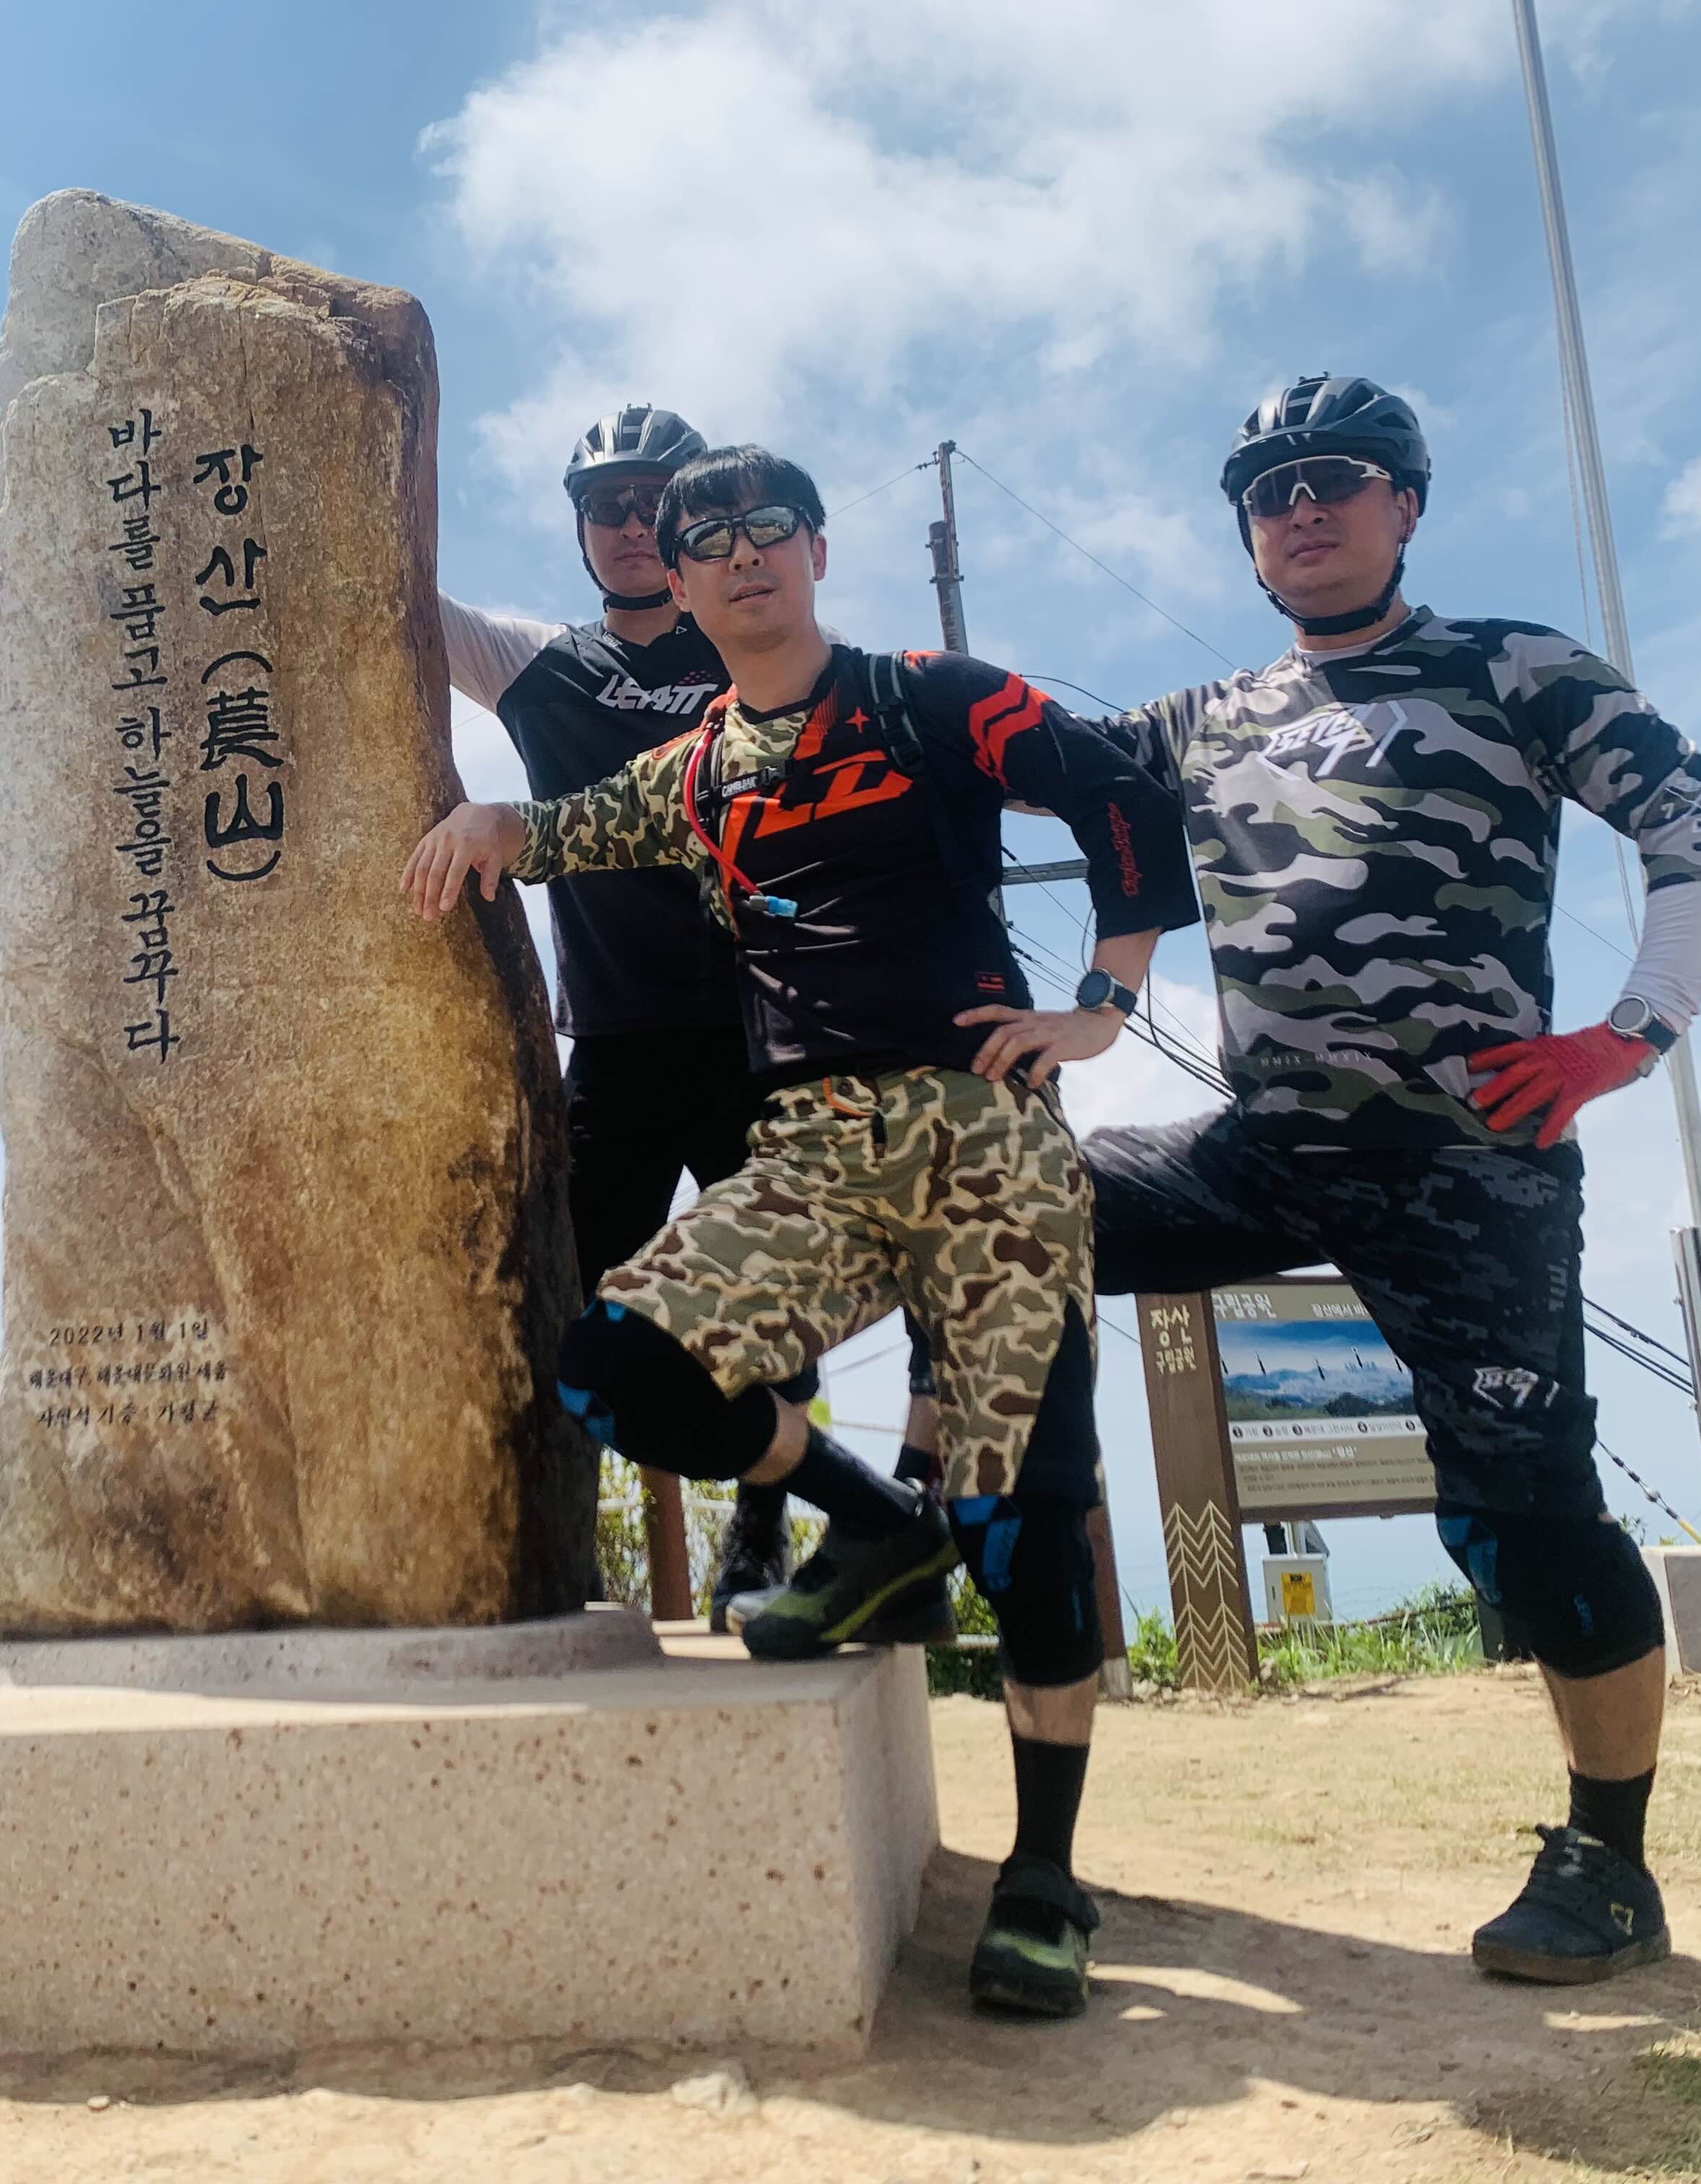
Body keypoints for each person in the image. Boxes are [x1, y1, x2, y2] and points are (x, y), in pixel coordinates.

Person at [406, 447, 1200, 2016]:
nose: (740, 554)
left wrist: (1104, 1003)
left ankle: (1044, 1876)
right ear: (679, 577)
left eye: (769, 527)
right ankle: (874, 1518)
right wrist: (489, 820)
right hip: (812, 1155)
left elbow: (1119, 785)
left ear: (818, 550)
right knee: (614, 1366)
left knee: (1026, 1516)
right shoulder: (698, 766)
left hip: (987, 1139)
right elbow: (563, 830)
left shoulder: (933, 698)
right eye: (707, 537)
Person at [1041, 375, 1701, 1985]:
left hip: (1468, 1166)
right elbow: (1005, 759)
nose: (1303, 507)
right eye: (1271, 489)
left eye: (1340, 478)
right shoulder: (1200, 718)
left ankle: (1613, 1866)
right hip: (1263, 1146)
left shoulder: (1513, 666)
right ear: (1246, 531)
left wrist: (1627, 1038)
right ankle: (918, 1536)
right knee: (1003, 1207)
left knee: (1529, 1513)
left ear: (1406, 504)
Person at [438, 403, 814, 1631]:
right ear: (581, 529)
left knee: (774, 1297)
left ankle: (761, 1535)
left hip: (769, 1035)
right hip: (614, 1051)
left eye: (661, 504)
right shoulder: (535, 664)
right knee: (570, 1303)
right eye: (609, 506)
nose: (636, 525)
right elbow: (393, 598)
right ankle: (562, 1556)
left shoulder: (758, 650)